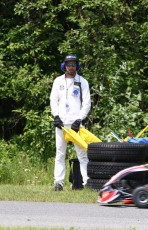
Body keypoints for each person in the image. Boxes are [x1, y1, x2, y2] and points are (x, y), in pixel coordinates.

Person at [50, 54, 91, 191]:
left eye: (73, 64)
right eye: (69, 64)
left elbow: (86, 103)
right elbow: (53, 100)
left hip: (77, 125)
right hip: (61, 124)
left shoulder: (82, 82)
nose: (71, 67)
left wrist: (79, 119)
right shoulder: (58, 81)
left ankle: (87, 183)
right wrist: (56, 116)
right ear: (64, 66)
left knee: (82, 154)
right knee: (60, 154)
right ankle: (59, 183)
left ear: (77, 66)